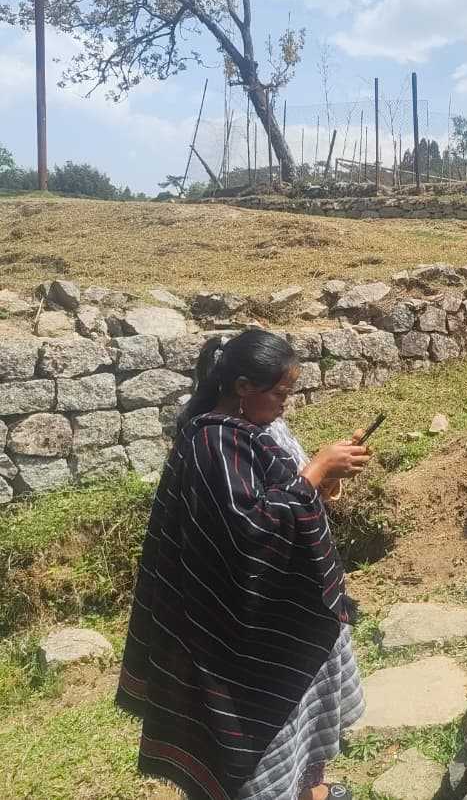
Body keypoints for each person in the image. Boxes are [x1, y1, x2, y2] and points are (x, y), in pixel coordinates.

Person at [117, 329, 372, 800]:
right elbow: (251, 530)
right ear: (241, 387)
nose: (284, 404)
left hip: (273, 612)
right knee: (265, 726)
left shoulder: (246, 432)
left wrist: (322, 479)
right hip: (238, 634)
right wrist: (314, 472)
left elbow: (274, 500)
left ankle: (308, 790)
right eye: (279, 393)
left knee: (302, 712)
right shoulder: (214, 443)